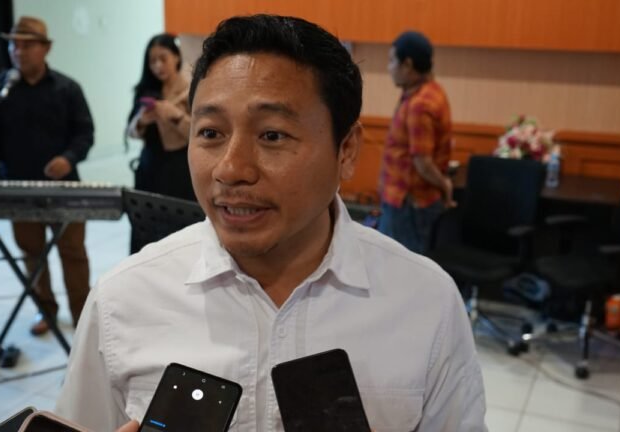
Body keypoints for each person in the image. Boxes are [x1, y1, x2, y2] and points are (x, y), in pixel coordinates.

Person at [55, 15, 486, 432]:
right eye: (210, 133)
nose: (230, 169)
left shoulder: (427, 303)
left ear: (346, 151)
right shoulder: (121, 301)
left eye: (272, 135)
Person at [0, 16, 94, 336]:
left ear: (46, 48)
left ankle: (83, 317)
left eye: (27, 45)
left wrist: (68, 159)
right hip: (19, 190)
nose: (18, 51)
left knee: (73, 253)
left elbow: (85, 133)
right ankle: (46, 311)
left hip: (65, 189)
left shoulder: (68, 88)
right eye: (14, 44)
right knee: (31, 255)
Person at [378, 31, 455, 255]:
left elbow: (422, 162)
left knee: (397, 268)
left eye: (392, 61)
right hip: (407, 203)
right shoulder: (430, 91)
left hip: (408, 205)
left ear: (408, 65)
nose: (389, 68)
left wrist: (445, 186)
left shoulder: (420, 104)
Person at [126, 33, 194, 253]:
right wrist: (142, 121)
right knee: (147, 231)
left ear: (176, 57)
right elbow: (130, 131)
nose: (157, 66)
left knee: (181, 231)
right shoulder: (146, 90)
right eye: (152, 61)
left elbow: (200, 133)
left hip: (181, 168)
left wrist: (174, 115)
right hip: (151, 167)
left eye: (163, 58)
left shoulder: (191, 90)